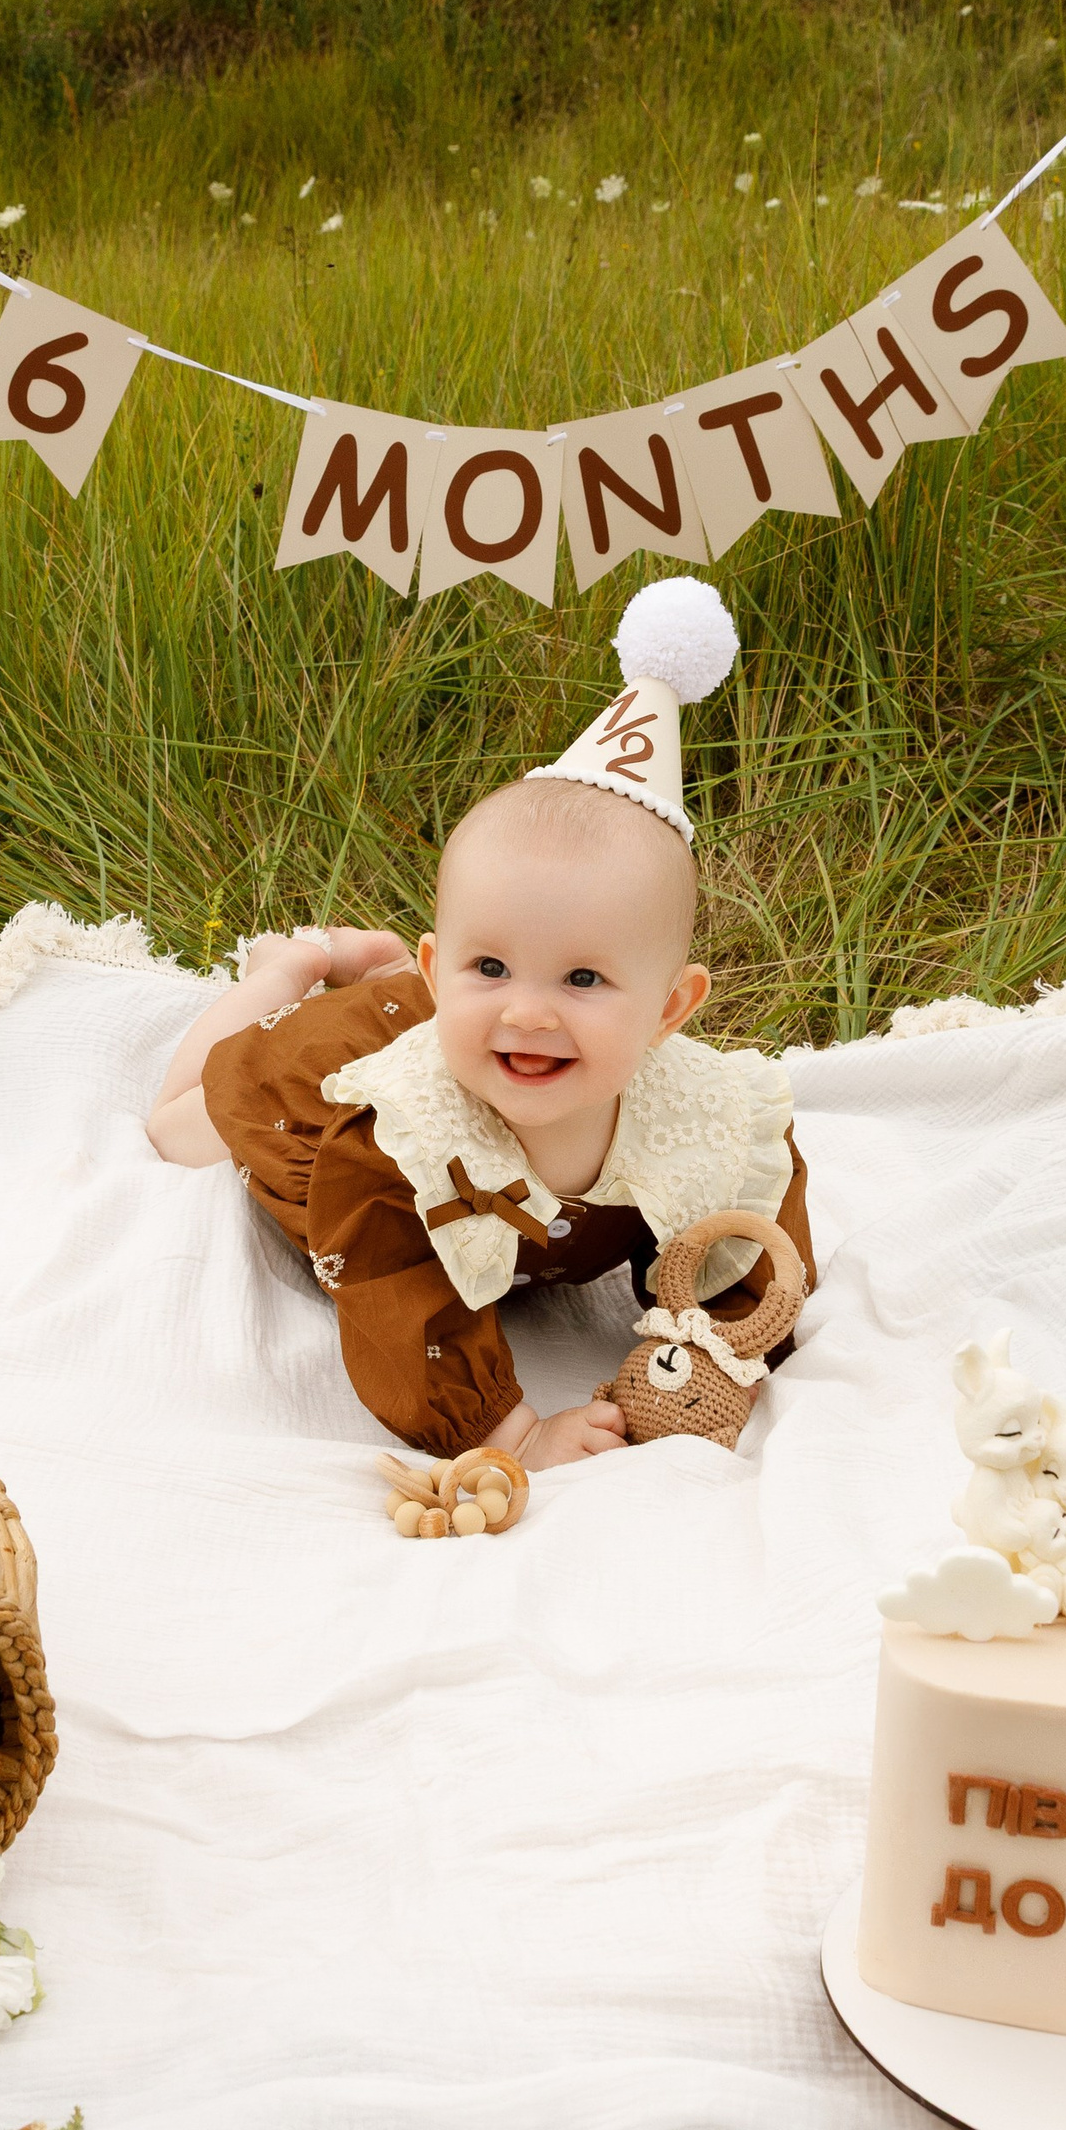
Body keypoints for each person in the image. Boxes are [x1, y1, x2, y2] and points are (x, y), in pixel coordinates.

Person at [146, 582, 815, 1467]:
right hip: (348, 1068)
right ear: (443, 969)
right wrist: (513, 1432)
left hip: (449, 1024)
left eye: (583, 977)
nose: (529, 1010)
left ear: (670, 1010)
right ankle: (298, 965)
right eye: (490, 966)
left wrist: (723, 1350)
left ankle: (398, 964)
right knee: (176, 1125)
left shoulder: (704, 1112)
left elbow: (745, 1234)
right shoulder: (391, 1136)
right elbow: (395, 1294)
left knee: (513, 1026)